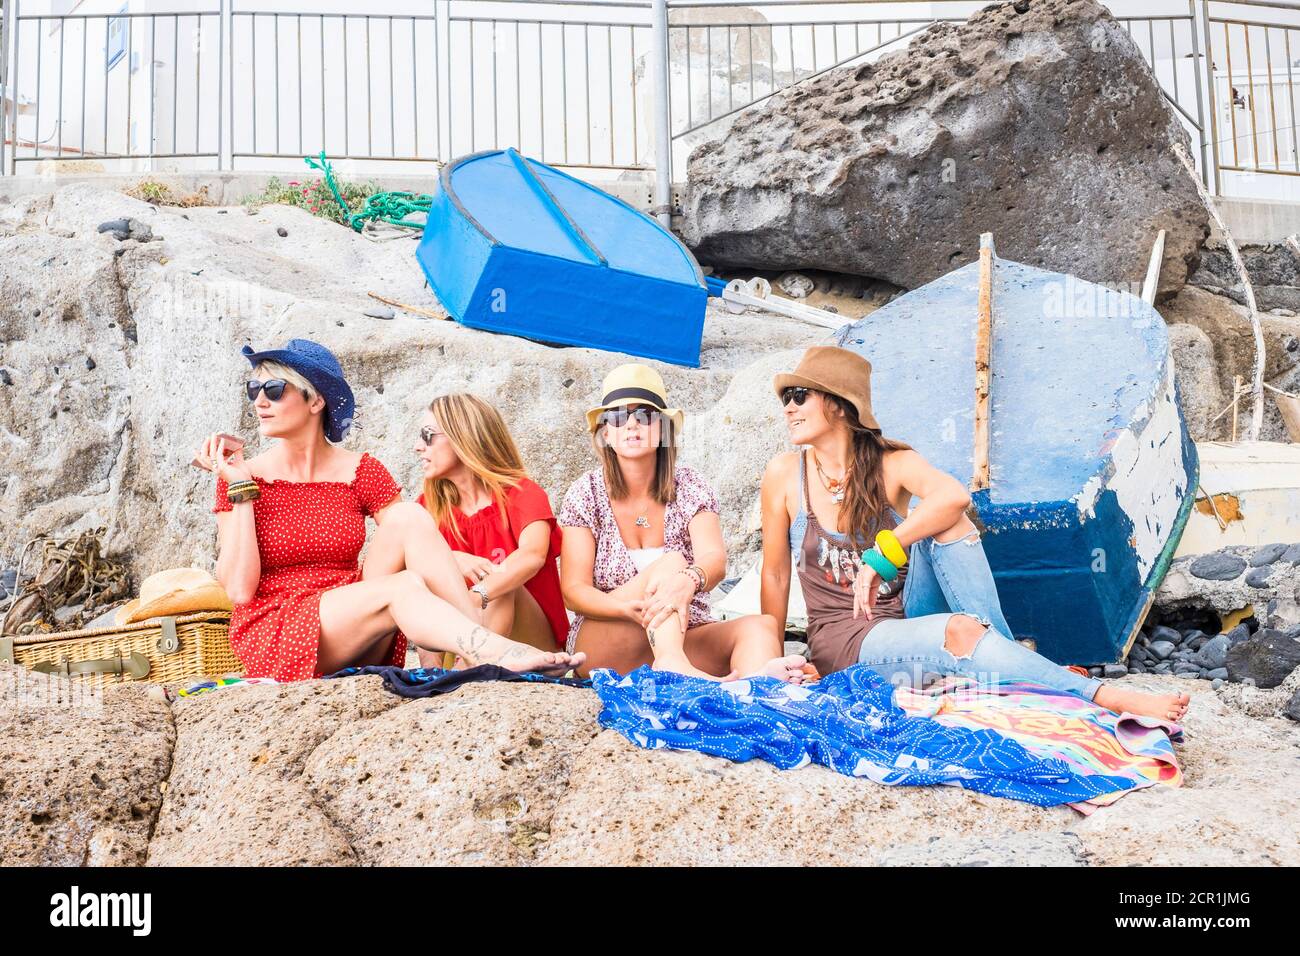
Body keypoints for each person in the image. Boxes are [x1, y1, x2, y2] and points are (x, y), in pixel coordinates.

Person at [758, 345, 1189, 722]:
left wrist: (882, 554)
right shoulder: (784, 475)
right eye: (784, 400)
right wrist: (774, 661)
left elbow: (953, 495)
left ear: (837, 404)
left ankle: (1009, 664)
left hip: (909, 612)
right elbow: (775, 576)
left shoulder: (890, 464)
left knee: (948, 521)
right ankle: (1101, 695)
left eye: (799, 396)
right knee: (960, 630)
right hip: (846, 638)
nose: (788, 409)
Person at [194, 338, 584, 681]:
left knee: (408, 519)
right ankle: (491, 649)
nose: (260, 401)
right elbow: (239, 591)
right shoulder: (244, 476)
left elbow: (415, 541)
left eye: (275, 389)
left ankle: (479, 648)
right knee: (402, 587)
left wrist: (455, 557)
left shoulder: (361, 470)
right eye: (254, 389)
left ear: (316, 400)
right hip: (281, 628)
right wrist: (239, 487)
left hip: (360, 618)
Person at [558, 363, 806, 683]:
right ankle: (672, 662)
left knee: (762, 627)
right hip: (608, 637)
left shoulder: (689, 485)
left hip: (688, 631)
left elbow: (714, 560)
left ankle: (747, 696)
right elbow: (574, 591)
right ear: (605, 433)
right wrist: (629, 609)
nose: (632, 424)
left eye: (645, 415)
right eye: (618, 416)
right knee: (671, 560)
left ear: (662, 429)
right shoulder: (585, 492)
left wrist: (689, 579)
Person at [415, 393, 569, 666]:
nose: (418, 447)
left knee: (499, 581)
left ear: (464, 437)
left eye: (428, 435)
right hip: (461, 639)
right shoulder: (429, 506)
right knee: (417, 578)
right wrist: (453, 559)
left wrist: (478, 594)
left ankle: (469, 673)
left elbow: (531, 556)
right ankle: (432, 675)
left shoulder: (523, 494)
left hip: (530, 642)